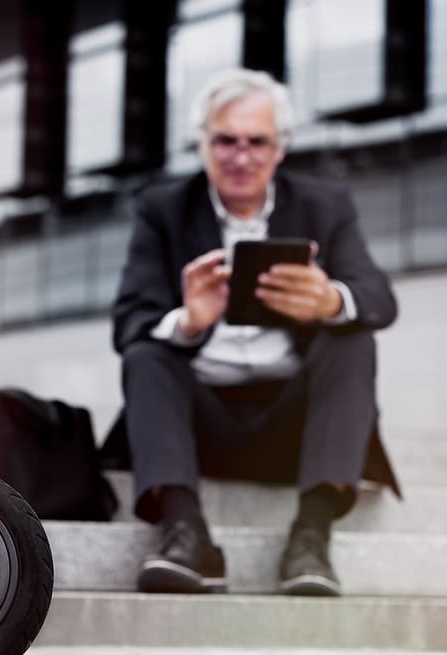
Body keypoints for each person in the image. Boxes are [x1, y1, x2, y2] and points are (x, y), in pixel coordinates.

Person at [109, 68, 400, 596]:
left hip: (293, 431)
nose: (241, 157)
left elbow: (380, 300)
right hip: (197, 428)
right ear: (202, 144)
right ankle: (184, 533)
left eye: (256, 142)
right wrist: (188, 321)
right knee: (147, 352)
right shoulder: (163, 210)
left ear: (280, 149)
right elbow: (128, 320)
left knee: (354, 336)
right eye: (226, 141)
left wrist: (330, 300)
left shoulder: (325, 206)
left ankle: (310, 539)